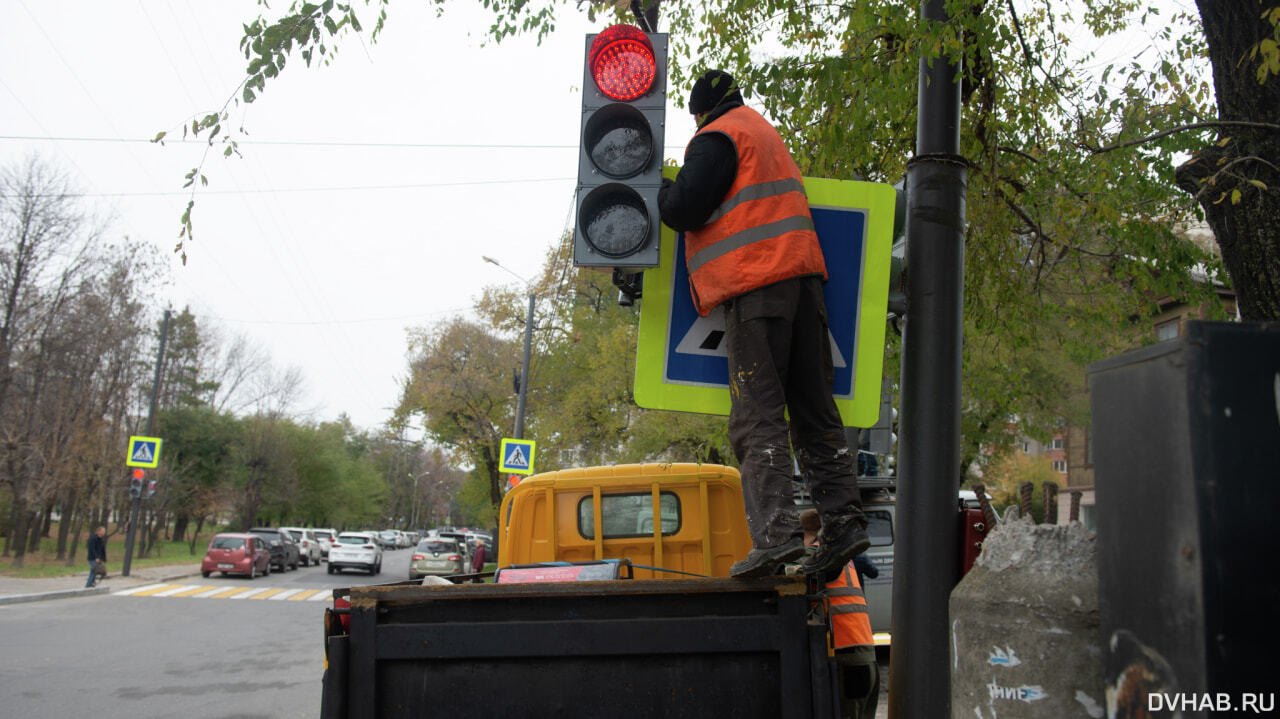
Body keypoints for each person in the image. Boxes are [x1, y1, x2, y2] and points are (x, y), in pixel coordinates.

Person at [658, 68, 869, 579]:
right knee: (814, 411)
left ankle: (776, 537)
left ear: (701, 112)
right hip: (803, 286)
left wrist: (661, 193)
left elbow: (685, 208)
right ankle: (843, 522)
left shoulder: (717, 137)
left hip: (757, 287)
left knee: (758, 415)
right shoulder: (764, 133)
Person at [800, 509, 879, 719]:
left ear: (805, 535)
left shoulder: (818, 555)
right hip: (864, 655)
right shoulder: (843, 555)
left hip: (847, 658)